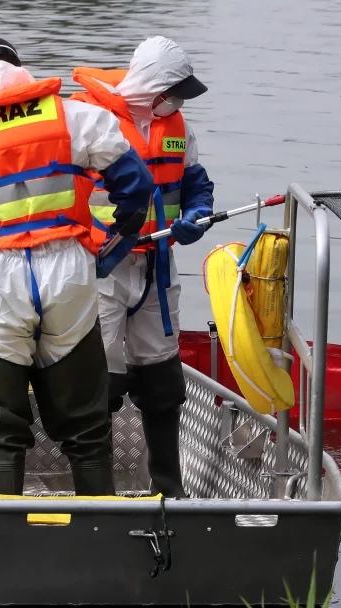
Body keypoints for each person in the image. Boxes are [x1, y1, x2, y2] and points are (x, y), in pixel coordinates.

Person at [0, 37, 154, 496]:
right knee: (87, 428)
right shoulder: (73, 116)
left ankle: (0, 533)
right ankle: (100, 529)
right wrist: (119, 236)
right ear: (22, 70)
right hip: (68, 274)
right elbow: (135, 182)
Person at [70, 36, 215, 498]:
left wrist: (196, 216)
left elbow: (196, 183)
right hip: (102, 265)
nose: (178, 100)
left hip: (158, 265)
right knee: (99, 379)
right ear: (153, 83)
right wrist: (98, 243)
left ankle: (169, 491)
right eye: (173, 89)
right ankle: (95, 493)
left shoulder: (178, 126)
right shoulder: (84, 120)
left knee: (162, 380)